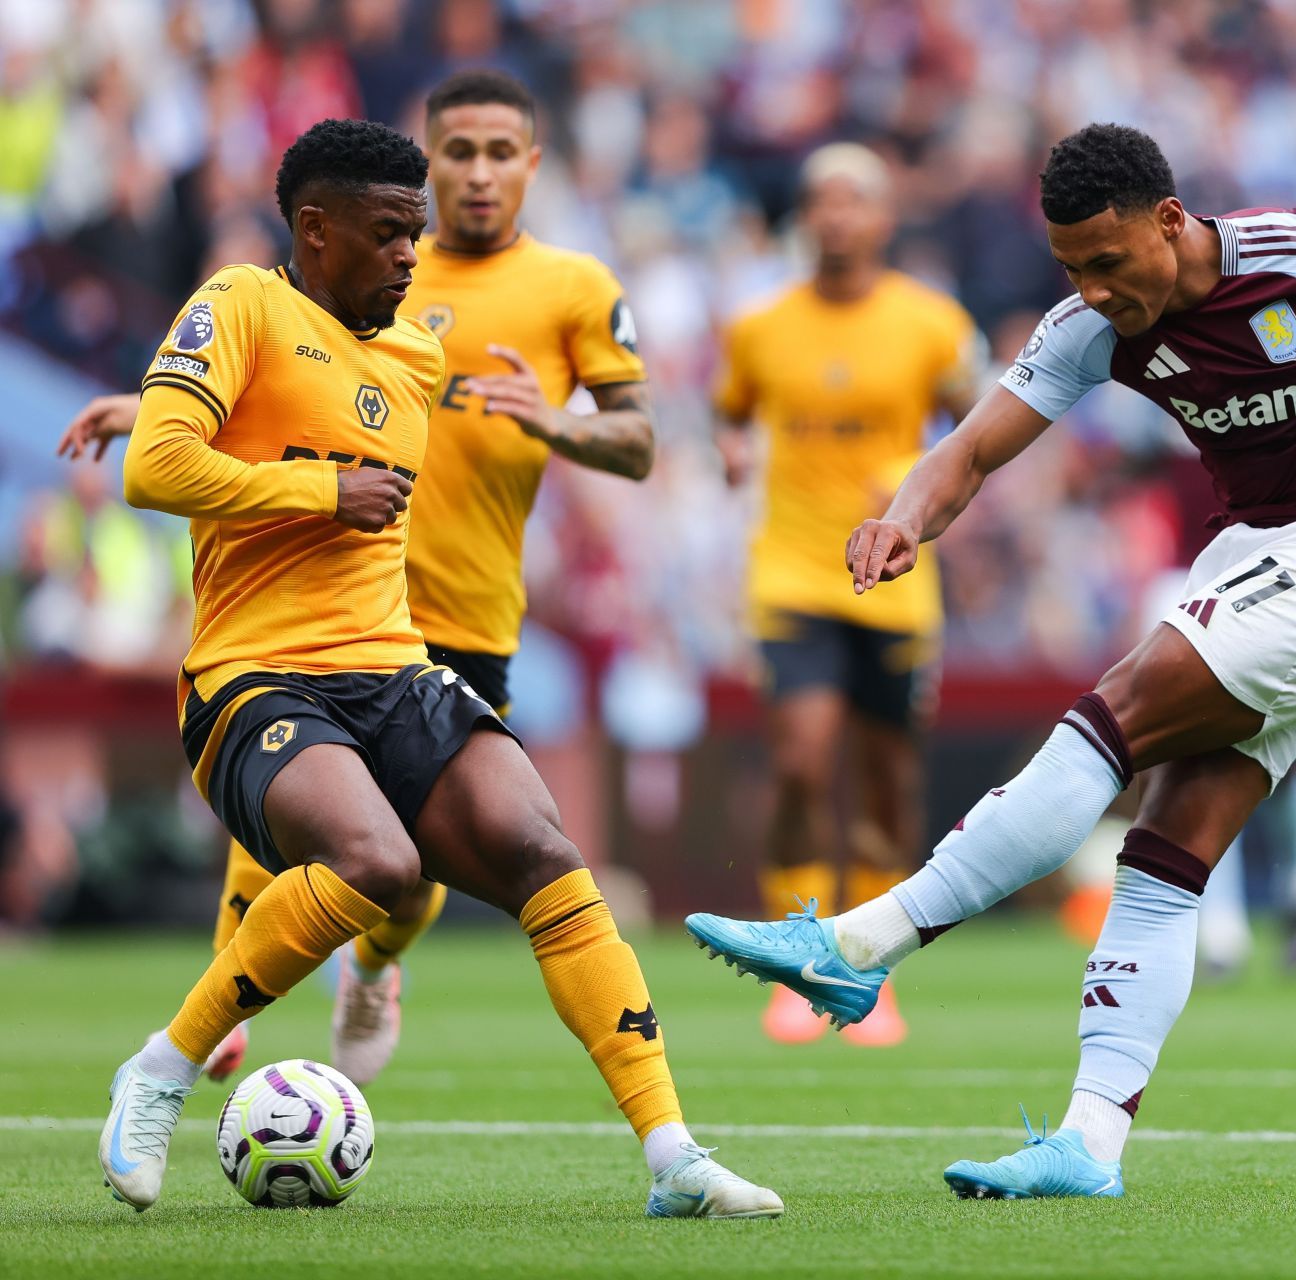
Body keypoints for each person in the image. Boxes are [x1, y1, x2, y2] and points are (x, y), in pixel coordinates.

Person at [687, 122, 1296, 1198]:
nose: (1096, 288)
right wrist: (903, 520)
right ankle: (1091, 1140)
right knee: (1166, 855)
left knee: (1110, 719)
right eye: (1072, 266)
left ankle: (862, 941)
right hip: (1262, 553)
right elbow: (971, 446)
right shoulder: (1090, 327)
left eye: (1109, 262)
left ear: (1170, 221)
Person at [95, 117, 780, 1219]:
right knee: (376, 860)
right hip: (254, 675)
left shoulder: (414, 352)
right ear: (314, 231)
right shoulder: (239, 302)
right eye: (387, 233)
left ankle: (673, 1154)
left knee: (548, 851)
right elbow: (159, 463)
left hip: (394, 667)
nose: (411, 255)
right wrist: (319, 491)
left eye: (415, 235)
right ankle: (163, 1068)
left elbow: (529, 446)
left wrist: (556, 422)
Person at [58, 70, 654, 1087]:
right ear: (426, 153)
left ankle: (372, 967)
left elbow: (640, 443)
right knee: (309, 821)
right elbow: (274, 376)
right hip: (323, 617)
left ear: (531, 166)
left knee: (418, 872)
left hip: (463, 614)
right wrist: (146, 400)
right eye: (456, 149)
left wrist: (554, 420)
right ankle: (217, 1006)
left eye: (498, 152)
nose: (475, 173)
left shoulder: (570, 288)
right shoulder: (360, 264)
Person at [711, 142, 981, 1046]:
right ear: (804, 217)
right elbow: (731, 410)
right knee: (799, 759)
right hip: (792, 568)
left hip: (897, 581)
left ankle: (866, 959)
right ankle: (797, 953)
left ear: (882, 217)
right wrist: (733, 449)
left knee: (889, 779)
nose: (835, 216)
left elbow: (976, 427)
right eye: (819, 200)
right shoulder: (759, 326)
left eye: (852, 201)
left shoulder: (931, 322)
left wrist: (914, 481)